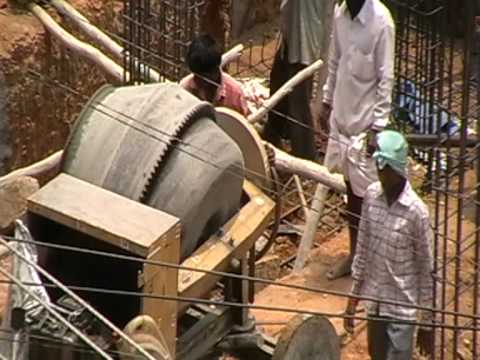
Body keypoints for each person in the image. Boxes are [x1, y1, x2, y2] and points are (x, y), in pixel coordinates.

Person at [319, 0, 396, 279]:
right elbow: (335, 60)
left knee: (372, 197)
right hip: (342, 120)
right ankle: (355, 255)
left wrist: (378, 127)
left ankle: (376, 262)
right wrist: (327, 101)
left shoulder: (381, 22)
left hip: (365, 127)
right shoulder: (341, 15)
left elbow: (386, 78)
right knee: (350, 193)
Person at [344, 130, 435, 360]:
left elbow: (427, 269)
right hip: (375, 305)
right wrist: (353, 300)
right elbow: (362, 249)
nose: (380, 173)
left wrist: (427, 323)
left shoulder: (416, 212)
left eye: (385, 169)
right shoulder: (371, 197)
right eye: (378, 168)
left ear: (398, 170)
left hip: (402, 309)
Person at [262, 0, 324, 161]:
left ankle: (305, 158)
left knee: (299, 104)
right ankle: (271, 138)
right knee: (278, 84)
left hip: (303, 39)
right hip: (292, 34)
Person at [180, 34, 250, 116]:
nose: (201, 82)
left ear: (216, 70)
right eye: (197, 76)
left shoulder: (234, 93)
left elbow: (242, 124)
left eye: (205, 77)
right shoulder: (185, 88)